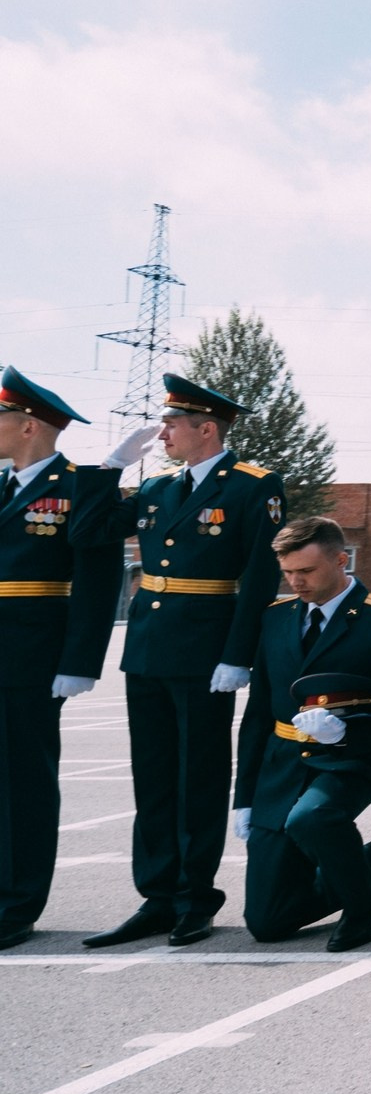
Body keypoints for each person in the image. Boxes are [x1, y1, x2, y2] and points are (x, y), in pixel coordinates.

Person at [84, 374, 284, 949]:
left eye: (172, 424)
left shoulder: (253, 486)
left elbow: (261, 575)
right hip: (148, 649)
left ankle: (195, 898)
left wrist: (238, 654)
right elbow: (92, 529)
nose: (162, 433)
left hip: (205, 653)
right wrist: (109, 468)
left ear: (207, 429)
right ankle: (157, 898)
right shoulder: (157, 487)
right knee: (152, 778)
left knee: (198, 777)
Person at [233, 517, 371, 950]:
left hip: (350, 761)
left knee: (312, 818)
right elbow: (258, 714)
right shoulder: (276, 618)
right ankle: (370, 865)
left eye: (307, 571)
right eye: (288, 572)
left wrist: (342, 732)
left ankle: (361, 907)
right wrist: (244, 796)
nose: (296, 581)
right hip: (282, 766)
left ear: (340, 560)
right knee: (267, 922)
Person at [0, 371, 125, 948]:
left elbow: (98, 581)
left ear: (28, 426)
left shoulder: (78, 487)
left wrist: (80, 661)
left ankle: (16, 904)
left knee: (22, 781)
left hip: (30, 655)